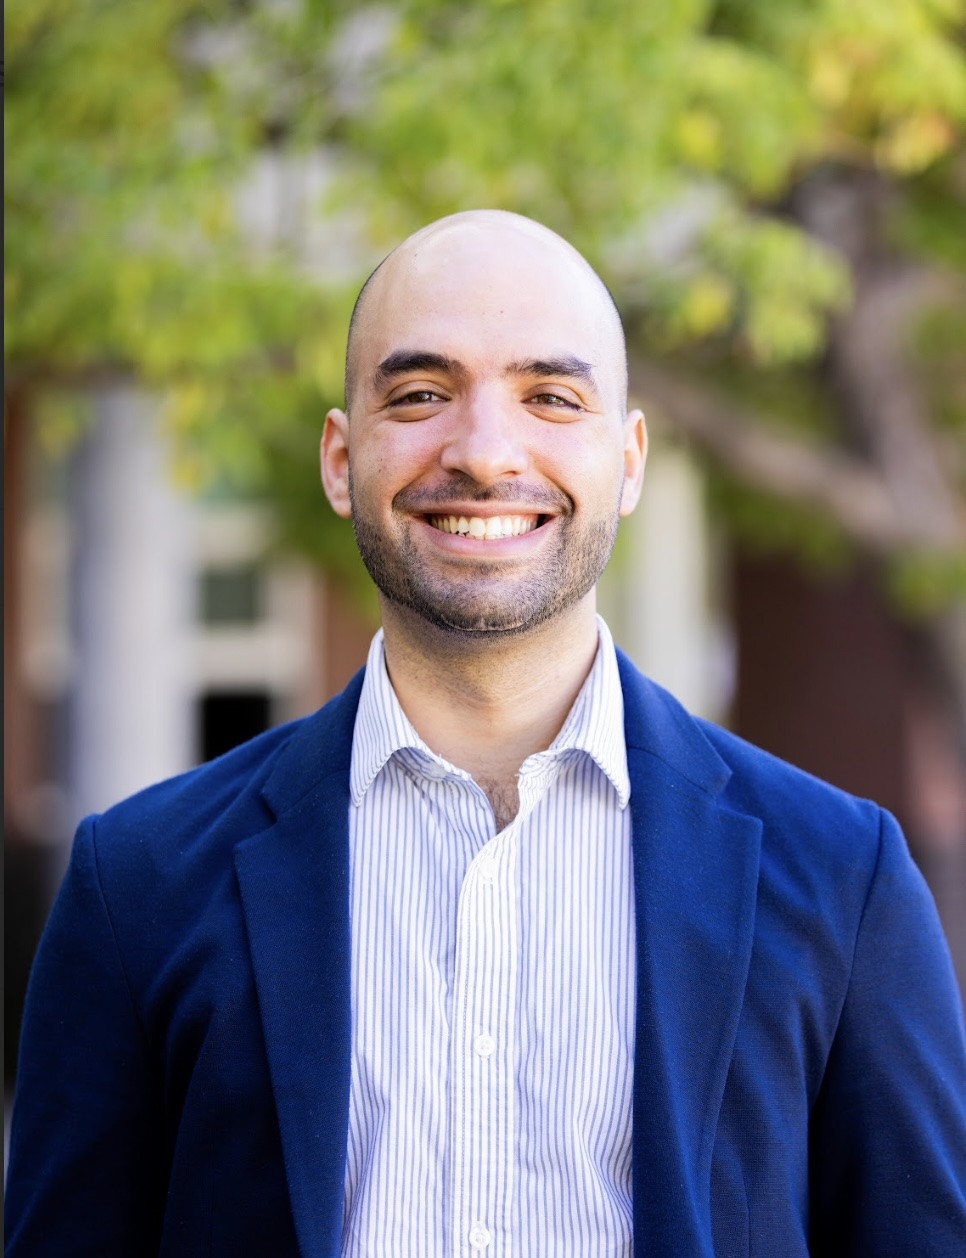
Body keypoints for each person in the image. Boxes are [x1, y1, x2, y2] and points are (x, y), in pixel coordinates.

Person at [6, 210, 966, 1257]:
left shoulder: (842, 881)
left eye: (550, 396)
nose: (483, 453)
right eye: (421, 394)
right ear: (341, 459)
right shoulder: (136, 887)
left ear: (629, 461)